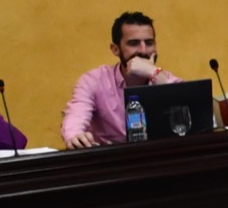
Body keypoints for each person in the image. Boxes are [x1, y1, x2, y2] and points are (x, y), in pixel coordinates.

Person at [61, 11, 184, 148]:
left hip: (159, 156)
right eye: (133, 43)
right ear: (115, 49)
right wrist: (75, 136)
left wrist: (154, 73)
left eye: (149, 43)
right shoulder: (94, 81)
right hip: (111, 158)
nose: (143, 51)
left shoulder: (164, 79)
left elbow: (192, 110)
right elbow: (76, 117)